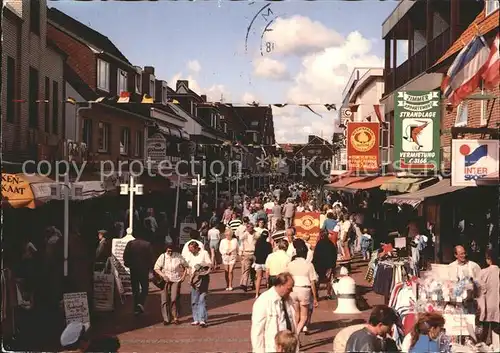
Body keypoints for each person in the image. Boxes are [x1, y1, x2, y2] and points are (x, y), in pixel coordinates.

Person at [251, 272, 297, 353]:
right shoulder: (263, 301)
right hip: (272, 348)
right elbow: (257, 331)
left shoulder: (288, 299)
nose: (291, 291)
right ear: (280, 285)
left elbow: (292, 323)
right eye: (289, 288)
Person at [287, 240, 319, 335]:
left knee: (296, 315)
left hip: (293, 290)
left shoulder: (290, 264)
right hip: (304, 289)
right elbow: (312, 282)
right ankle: (295, 335)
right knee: (304, 317)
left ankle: (294, 332)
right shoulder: (309, 265)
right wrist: (315, 297)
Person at [153, 243, 188, 325]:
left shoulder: (178, 256)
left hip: (176, 279)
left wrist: (183, 276)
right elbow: (156, 268)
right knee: (164, 300)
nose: (170, 252)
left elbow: (186, 266)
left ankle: (175, 317)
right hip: (166, 280)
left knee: (174, 298)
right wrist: (163, 275)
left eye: (171, 250)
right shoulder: (163, 256)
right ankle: (166, 318)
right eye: (168, 250)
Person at [123, 232, 153, 315]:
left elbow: (125, 255)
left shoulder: (130, 244)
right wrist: (150, 268)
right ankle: (141, 302)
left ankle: (136, 306)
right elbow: (150, 257)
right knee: (145, 288)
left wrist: (128, 264)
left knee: (135, 288)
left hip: (133, 269)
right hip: (144, 270)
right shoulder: (147, 244)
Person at [185, 242, 211, 327]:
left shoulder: (204, 253)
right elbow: (187, 265)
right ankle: (196, 319)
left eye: (192, 250)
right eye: (190, 250)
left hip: (203, 278)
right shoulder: (190, 255)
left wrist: (201, 265)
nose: (191, 251)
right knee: (194, 300)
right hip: (193, 279)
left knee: (202, 299)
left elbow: (209, 264)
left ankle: (202, 319)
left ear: (196, 248)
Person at [477, 249, 500, 349]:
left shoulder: (483, 272)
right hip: (498, 306)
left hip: (486, 305)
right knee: (496, 330)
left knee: (484, 329)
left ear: (488, 259)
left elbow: (478, 288)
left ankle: (483, 346)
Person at [312, 230, 337, 300]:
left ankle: (316, 294)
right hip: (329, 265)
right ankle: (328, 294)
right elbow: (334, 255)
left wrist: (314, 264)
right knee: (328, 280)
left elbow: (316, 254)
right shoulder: (331, 244)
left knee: (318, 280)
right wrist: (333, 266)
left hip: (319, 265)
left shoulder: (319, 243)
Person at [239, 223, 259, 292]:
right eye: (248, 227)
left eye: (251, 227)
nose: (249, 229)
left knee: (253, 270)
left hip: (254, 253)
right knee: (246, 269)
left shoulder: (256, 234)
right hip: (246, 253)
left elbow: (259, 238)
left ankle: (252, 283)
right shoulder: (245, 235)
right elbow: (240, 238)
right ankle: (244, 284)